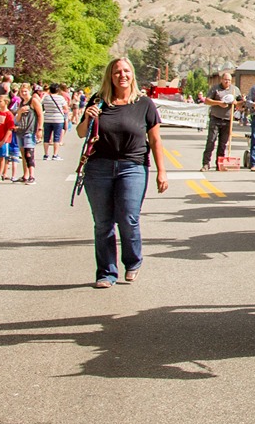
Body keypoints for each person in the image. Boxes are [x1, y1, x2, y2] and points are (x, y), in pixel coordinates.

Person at [78, 57, 167, 288]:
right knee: (103, 223)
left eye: (126, 71)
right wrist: (88, 117)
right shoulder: (98, 101)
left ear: (133, 75)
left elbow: (155, 140)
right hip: (99, 167)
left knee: (128, 218)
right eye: (117, 72)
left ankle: (133, 261)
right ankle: (106, 273)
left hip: (133, 167)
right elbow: (80, 133)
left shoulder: (144, 103)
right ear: (110, 76)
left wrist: (161, 172)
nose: (122, 75)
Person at [202, 72, 239, 171]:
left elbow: (240, 103)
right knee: (211, 141)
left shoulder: (235, 90)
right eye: (226, 80)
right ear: (221, 80)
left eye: (229, 80)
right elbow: (207, 100)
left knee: (223, 144)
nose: (227, 82)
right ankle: (206, 163)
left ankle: (220, 163)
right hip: (216, 118)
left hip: (227, 120)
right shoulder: (215, 89)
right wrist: (219, 103)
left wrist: (237, 103)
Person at [42, 84, 69, 158]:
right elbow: (66, 109)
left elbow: (43, 107)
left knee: (46, 137)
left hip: (47, 119)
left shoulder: (46, 98)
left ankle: (46, 154)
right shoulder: (61, 98)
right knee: (56, 137)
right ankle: (55, 154)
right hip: (58, 119)